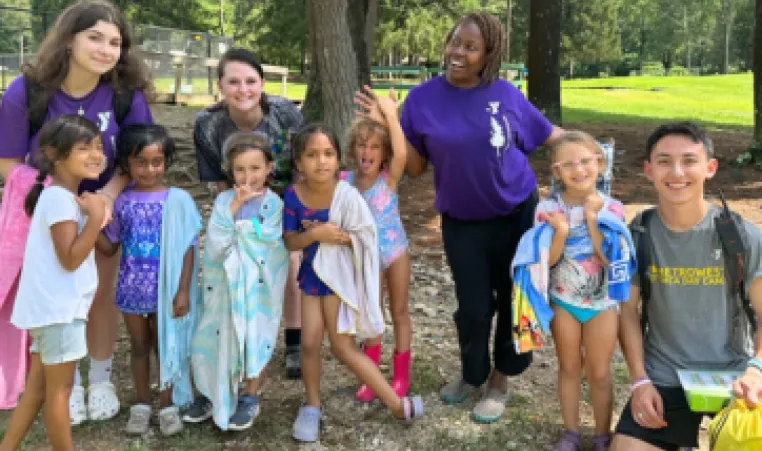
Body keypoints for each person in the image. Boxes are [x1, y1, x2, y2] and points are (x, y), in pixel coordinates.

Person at [355, 11, 562, 423]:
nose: (458, 52)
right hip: (461, 219)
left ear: (487, 55)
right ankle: (472, 375)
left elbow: (548, 134)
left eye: (470, 47)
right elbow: (414, 167)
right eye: (455, 42)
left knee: (512, 299)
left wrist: (585, 151)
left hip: (515, 212)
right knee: (472, 306)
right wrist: (390, 124)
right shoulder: (422, 99)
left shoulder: (504, 94)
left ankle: (500, 380)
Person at [0, 0, 153, 420]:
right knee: (55, 300)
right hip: (46, 212)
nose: (106, 49)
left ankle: (100, 380)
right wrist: (61, 201)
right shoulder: (27, 90)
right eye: (95, 37)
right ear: (69, 39)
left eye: (115, 42)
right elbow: (9, 162)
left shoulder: (125, 95)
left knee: (97, 295)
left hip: (104, 210)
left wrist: (104, 199)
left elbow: (135, 158)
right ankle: (57, 384)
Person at [611, 122, 762, 451]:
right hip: (666, 376)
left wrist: (756, 370)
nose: (677, 172)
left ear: (710, 168)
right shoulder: (637, 235)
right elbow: (626, 312)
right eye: (664, 161)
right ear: (649, 171)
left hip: (736, 375)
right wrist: (639, 380)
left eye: (689, 160)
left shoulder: (741, 235)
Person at [285, 124, 423, 443]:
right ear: (298, 162)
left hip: (339, 282)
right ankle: (312, 406)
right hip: (311, 279)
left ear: (337, 160)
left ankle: (394, 403)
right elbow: (291, 242)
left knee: (342, 346)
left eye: (328, 154)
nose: (321, 162)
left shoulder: (346, 194)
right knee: (308, 343)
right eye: (312, 155)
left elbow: (365, 234)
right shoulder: (293, 195)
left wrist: (343, 237)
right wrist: (315, 234)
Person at [193, 48, 305, 381]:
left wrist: (292, 214)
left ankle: (295, 342)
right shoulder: (208, 124)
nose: (243, 89)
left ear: (263, 83)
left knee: (291, 263)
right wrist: (236, 219)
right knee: (240, 265)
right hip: (239, 201)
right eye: (234, 82)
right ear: (220, 86)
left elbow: (302, 166)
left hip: (286, 197)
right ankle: (239, 333)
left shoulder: (285, 114)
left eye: (250, 81)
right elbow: (216, 181)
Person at [0, 115, 106, 451]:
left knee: (38, 389)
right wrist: (97, 217)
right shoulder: (60, 199)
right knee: (59, 392)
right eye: (84, 148)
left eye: (99, 147)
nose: (95, 155)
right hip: (60, 312)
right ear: (55, 154)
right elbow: (70, 257)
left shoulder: (56, 195)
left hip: (49, 311)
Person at [97, 124, 201, 437]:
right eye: (141, 162)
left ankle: (167, 404)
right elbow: (110, 245)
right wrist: (87, 229)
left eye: (156, 162)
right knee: (140, 346)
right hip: (131, 288)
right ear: (126, 164)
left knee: (164, 344)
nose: (149, 169)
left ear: (166, 162)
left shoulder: (178, 200)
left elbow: (188, 248)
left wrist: (183, 290)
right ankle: (142, 404)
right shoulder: (122, 201)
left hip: (166, 290)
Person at [189, 132, 289, 431]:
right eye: (240, 170)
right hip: (224, 288)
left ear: (269, 167)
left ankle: (250, 394)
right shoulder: (223, 201)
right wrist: (234, 211)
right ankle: (212, 390)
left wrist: (243, 230)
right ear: (230, 171)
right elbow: (217, 245)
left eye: (255, 168)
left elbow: (270, 242)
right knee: (216, 334)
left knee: (256, 334)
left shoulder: (275, 204)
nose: (248, 176)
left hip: (257, 290)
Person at [536, 131, 626, 451]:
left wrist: (591, 218)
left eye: (586, 161)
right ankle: (571, 432)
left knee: (600, 372)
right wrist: (560, 230)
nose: (579, 170)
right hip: (564, 302)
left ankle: (602, 433)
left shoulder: (612, 208)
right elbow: (547, 262)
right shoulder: (547, 208)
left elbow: (609, 258)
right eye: (569, 164)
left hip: (602, 303)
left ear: (599, 164)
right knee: (570, 367)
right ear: (557, 171)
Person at [341, 91, 413, 401]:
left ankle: (401, 376)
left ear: (382, 153)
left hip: (395, 253)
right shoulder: (344, 182)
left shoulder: (389, 178)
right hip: (365, 260)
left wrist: (390, 117)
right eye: (361, 146)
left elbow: (402, 153)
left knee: (399, 311)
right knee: (372, 313)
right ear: (353, 150)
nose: (367, 152)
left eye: (374, 147)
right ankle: (371, 378)